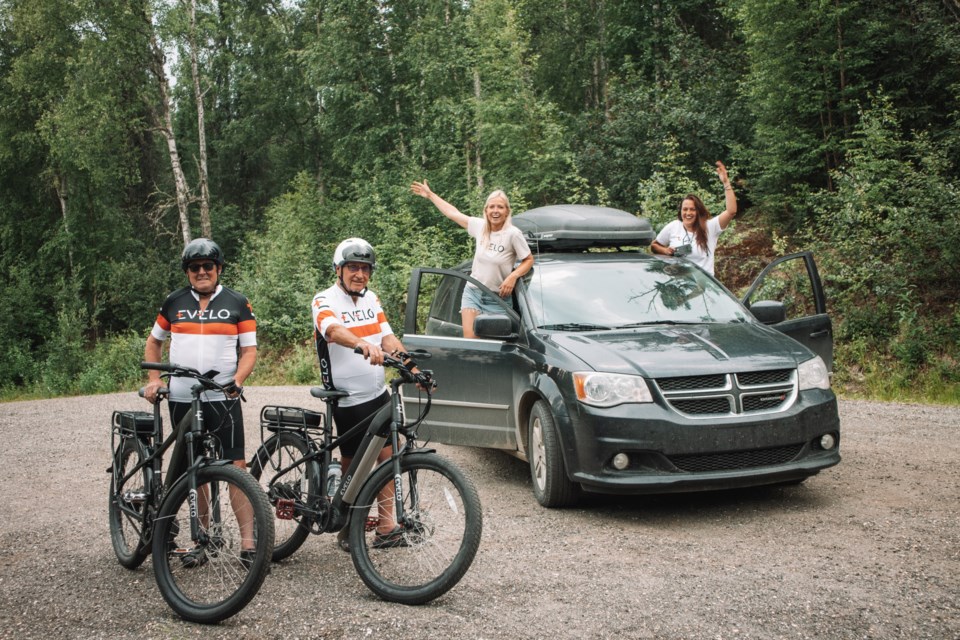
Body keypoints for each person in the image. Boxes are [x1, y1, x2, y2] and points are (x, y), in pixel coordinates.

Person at [142, 237, 258, 565]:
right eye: (195, 268)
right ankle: (203, 539)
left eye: (208, 266)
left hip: (222, 395)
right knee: (195, 469)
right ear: (188, 272)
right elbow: (154, 344)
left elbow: (249, 351)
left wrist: (237, 380)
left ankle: (249, 544)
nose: (202, 272)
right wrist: (154, 380)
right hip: (181, 397)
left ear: (218, 268)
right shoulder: (173, 302)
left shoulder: (237, 303)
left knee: (236, 466)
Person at [312, 237, 421, 552]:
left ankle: (386, 527)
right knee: (354, 465)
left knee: (391, 454)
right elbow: (332, 330)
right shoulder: (324, 299)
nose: (359, 274)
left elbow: (387, 338)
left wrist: (413, 367)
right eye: (353, 267)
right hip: (346, 398)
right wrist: (361, 343)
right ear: (339, 269)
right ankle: (346, 524)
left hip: (377, 393)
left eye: (364, 268)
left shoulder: (371, 299)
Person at [410, 180, 534, 338]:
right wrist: (430, 195)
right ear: (486, 210)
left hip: (498, 299)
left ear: (507, 211)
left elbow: (529, 260)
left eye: (500, 207)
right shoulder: (480, 227)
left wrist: (513, 276)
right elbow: (453, 213)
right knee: (472, 341)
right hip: (473, 292)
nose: (495, 211)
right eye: (492, 207)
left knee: (495, 344)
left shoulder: (513, 234)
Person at [650, 161, 738, 276]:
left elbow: (731, 211)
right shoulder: (674, 226)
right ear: (680, 211)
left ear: (698, 211)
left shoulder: (710, 227)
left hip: (703, 286)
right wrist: (666, 251)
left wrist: (726, 183)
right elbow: (654, 245)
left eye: (692, 209)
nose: (688, 213)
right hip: (679, 284)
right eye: (685, 209)